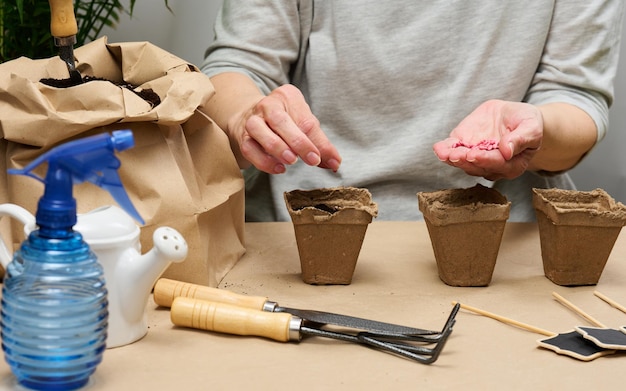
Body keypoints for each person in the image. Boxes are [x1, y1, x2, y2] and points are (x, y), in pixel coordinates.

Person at [201, 1, 625, 222]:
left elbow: (574, 95)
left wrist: (536, 130)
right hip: (295, 226)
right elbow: (237, 65)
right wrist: (245, 115)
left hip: (506, 240)